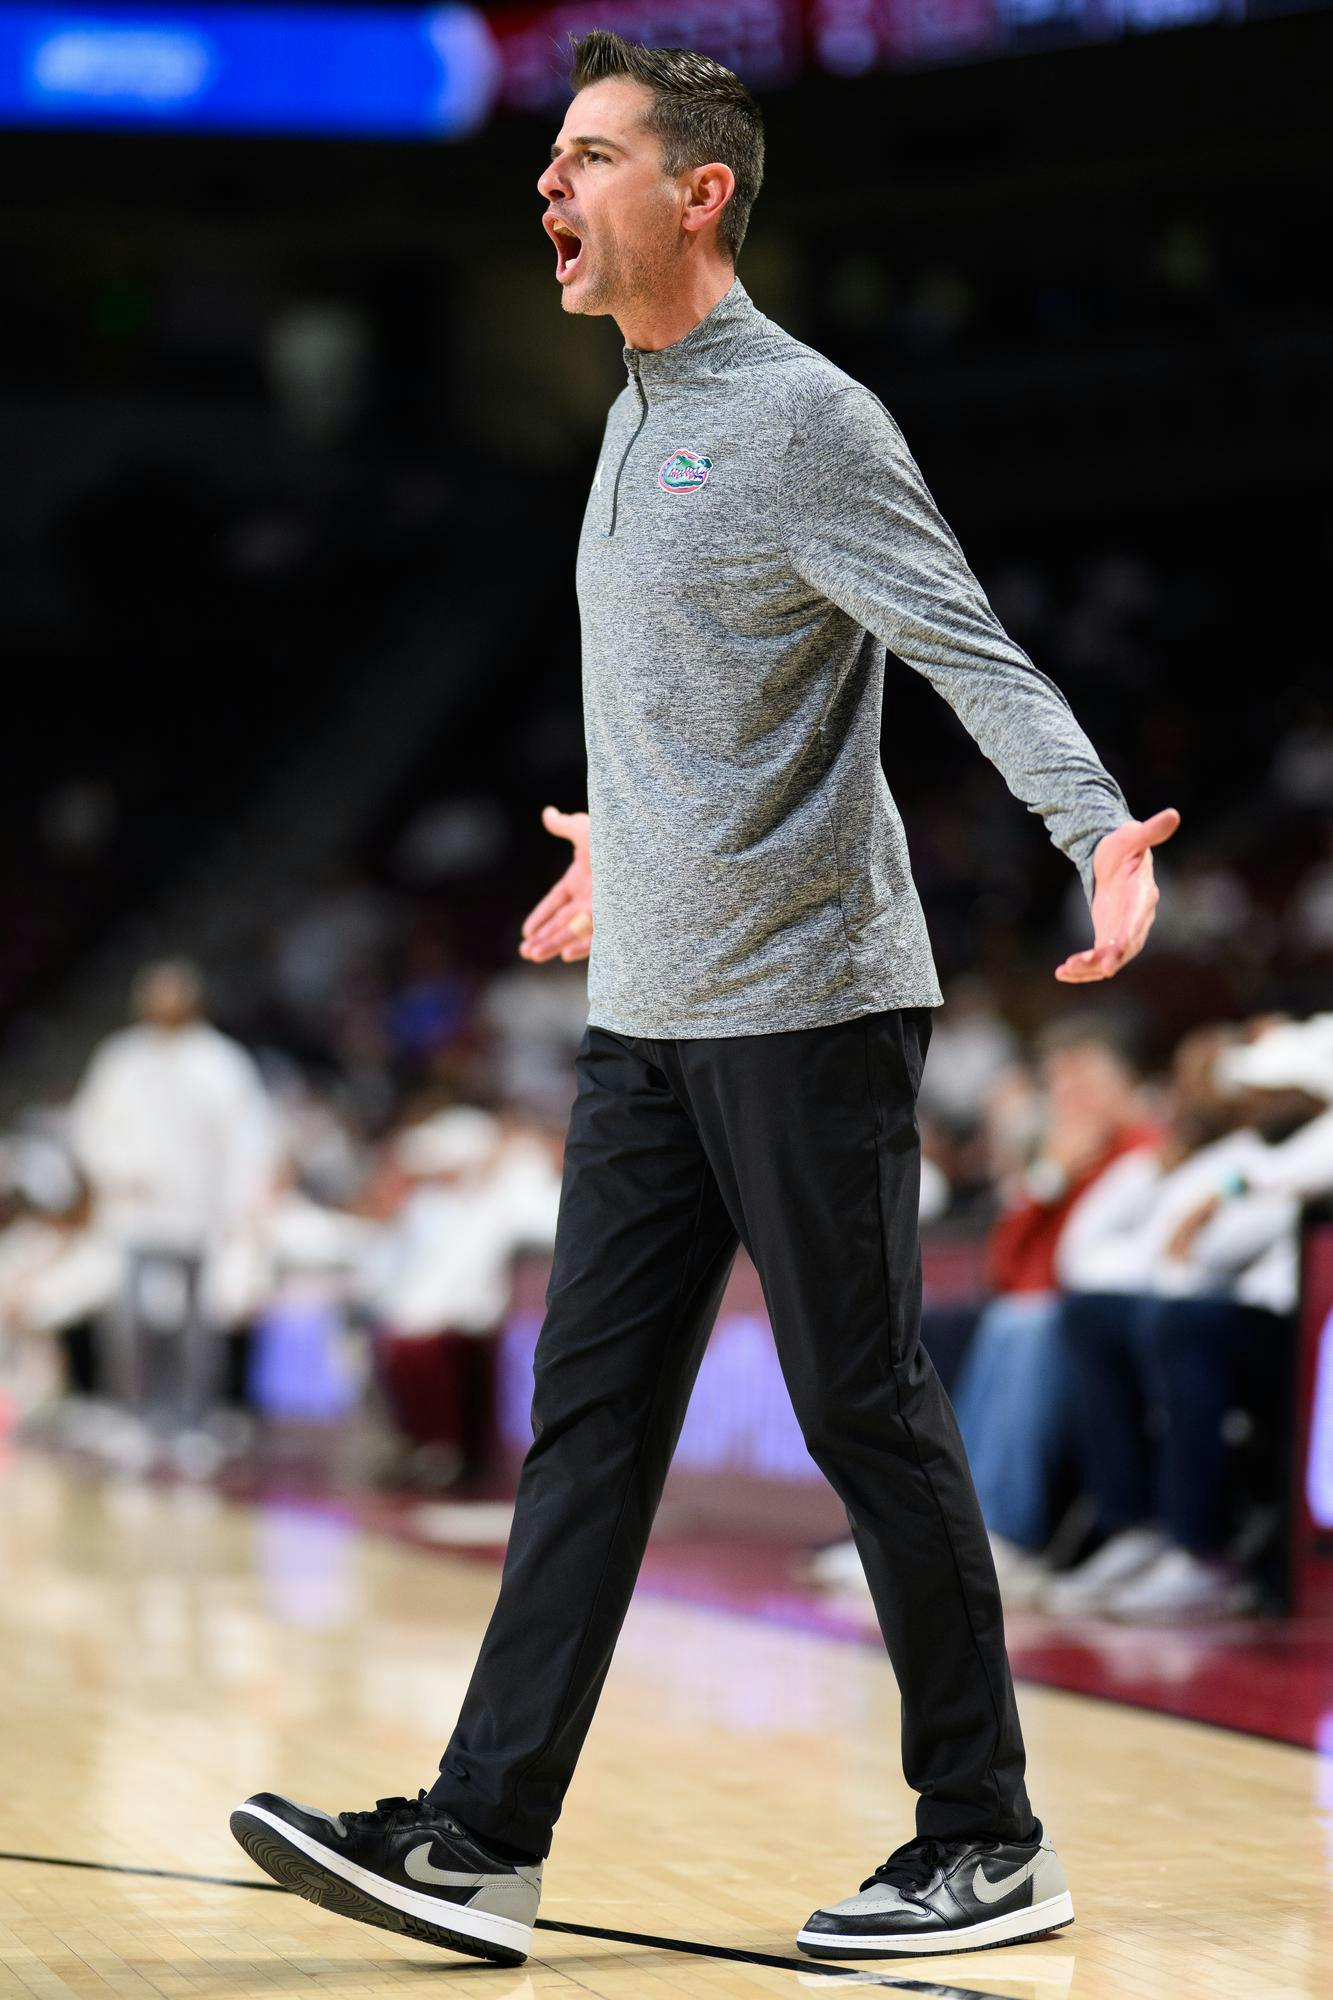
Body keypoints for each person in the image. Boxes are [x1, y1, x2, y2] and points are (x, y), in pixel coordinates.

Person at [231, 31, 1178, 1965]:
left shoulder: (807, 418)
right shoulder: (632, 409)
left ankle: (985, 1836)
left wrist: (1095, 827)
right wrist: (624, 847)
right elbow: (691, 692)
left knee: (862, 1407)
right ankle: (482, 1836)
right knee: (582, 1421)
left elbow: (963, 648)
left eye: (585, 159)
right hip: (653, 1005)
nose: (549, 190)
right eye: (551, 161)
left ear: (699, 192)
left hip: (810, 1000)